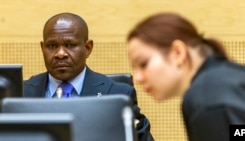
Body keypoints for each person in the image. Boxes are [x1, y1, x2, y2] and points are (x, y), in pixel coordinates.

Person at [23, 12, 154, 141]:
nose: (60, 54)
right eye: (52, 46)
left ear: (87, 48)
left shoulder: (118, 94)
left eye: (70, 45)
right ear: (42, 48)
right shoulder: (19, 94)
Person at [127, 12, 245, 141]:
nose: (138, 78)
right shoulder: (229, 77)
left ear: (178, 53)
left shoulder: (205, 98)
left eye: (143, 64)